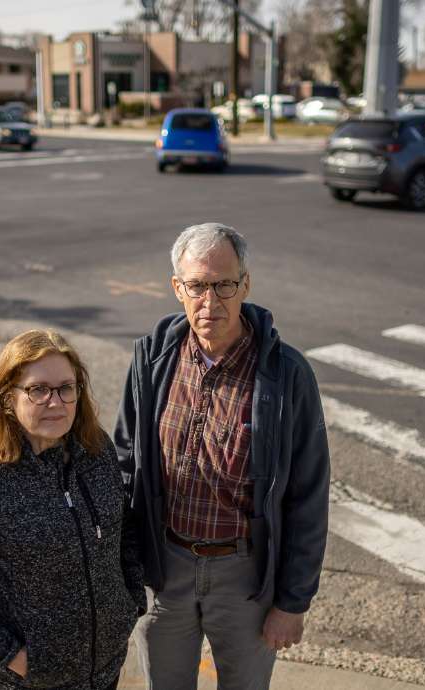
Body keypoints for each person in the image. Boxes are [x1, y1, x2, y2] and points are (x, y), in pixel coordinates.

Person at [114, 223, 331, 690]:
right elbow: (126, 462)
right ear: (178, 288)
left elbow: (308, 494)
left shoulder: (286, 374)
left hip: (246, 579)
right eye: (196, 286)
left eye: (224, 284)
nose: (210, 301)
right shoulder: (152, 360)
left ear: (245, 284)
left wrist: (292, 603)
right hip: (165, 571)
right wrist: (126, 566)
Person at [0, 330, 145, 690]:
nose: (55, 402)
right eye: (38, 390)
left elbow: (126, 529)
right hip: (24, 682)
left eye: (66, 388)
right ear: (8, 398)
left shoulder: (97, 450)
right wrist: (15, 657)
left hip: (104, 670)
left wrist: (129, 604)